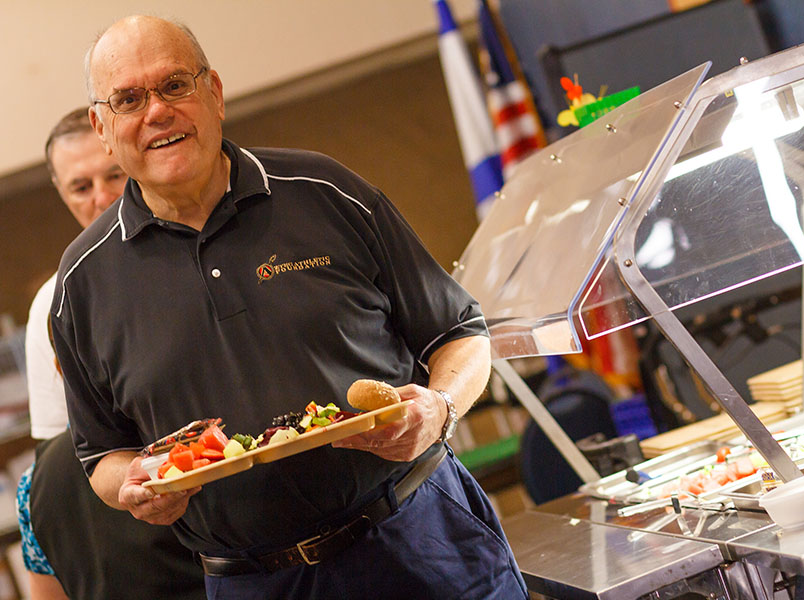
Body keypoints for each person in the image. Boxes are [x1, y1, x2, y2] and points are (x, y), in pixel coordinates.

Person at [51, 15, 528, 600]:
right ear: (103, 127)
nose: (156, 112)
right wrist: (136, 485)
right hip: (253, 583)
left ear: (214, 92)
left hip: (421, 539)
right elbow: (102, 454)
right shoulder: (81, 283)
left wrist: (442, 409)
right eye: (128, 99)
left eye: (175, 85)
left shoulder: (326, 192)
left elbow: (462, 331)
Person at [18, 108, 207, 600]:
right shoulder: (54, 300)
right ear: (60, 191)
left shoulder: (188, 254)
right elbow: (55, 461)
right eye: (80, 187)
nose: (101, 197)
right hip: (127, 507)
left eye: (113, 176)